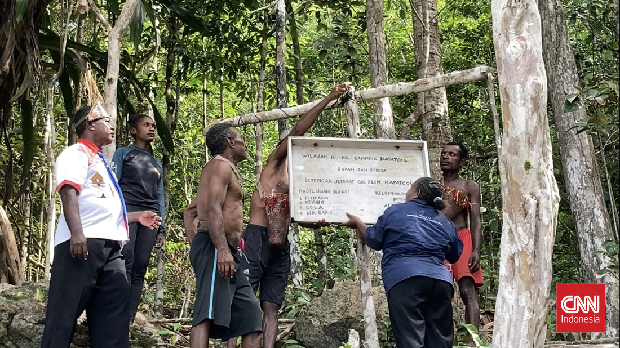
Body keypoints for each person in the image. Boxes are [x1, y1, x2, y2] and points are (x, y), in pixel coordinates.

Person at [229, 83, 347, 348]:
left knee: (271, 305)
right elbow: (298, 129)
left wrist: (317, 221)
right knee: (244, 298)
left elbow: (300, 217)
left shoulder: (302, 179)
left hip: (281, 245)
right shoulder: (275, 165)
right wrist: (330, 97)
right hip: (256, 239)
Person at [41, 104, 162, 348]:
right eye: (106, 120)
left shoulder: (101, 162)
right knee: (63, 316)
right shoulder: (75, 153)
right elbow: (68, 191)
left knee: (113, 318)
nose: (112, 126)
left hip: (112, 248)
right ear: (90, 124)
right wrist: (77, 233)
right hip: (81, 245)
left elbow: (104, 208)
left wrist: (137, 217)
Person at [342, 177, 463, 348]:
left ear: (417, 193)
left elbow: (374, 239)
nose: (407, 191)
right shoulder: (445, 222)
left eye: (410, 188)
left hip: (406, 279)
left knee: (410, 339)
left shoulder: (395, 212)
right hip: (441, 282)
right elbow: (454, 255)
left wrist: (358, 223)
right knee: (440, 341)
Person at [189, 123, 262, 348]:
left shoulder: (226, 168)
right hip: (215, 247)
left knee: (251, 316)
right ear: (230, 141)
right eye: (241, 138)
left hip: (230, 252)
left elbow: (193, 209)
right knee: (206, 313)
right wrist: (220, 248)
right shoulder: (220, 166)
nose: (245, 144)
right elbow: (212, 208)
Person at [111, 114, 166, 324]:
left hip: (151, 215)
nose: (151, 128)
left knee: (141, 264)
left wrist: (161, 229)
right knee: (126, 258)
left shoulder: (157, 162)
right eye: (146, 125)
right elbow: (113, 184)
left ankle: (129, 317)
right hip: (129, 211)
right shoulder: (123, 153)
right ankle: (115, 311)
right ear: (134, 130)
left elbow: (159, 195)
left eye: (153, 126)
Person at [440, 141, 483, 329]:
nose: (446, 157)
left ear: (462, 161)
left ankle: (472, 340)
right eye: (443, 154)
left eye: (452, 154)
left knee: (466, 290)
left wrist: (475, 249)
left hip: (461, 239)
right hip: (439, 242)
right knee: (441, 291)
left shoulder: (468, 185)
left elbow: (475, 219)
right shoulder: (431, 185)